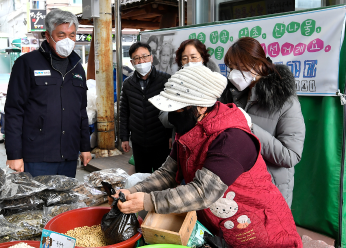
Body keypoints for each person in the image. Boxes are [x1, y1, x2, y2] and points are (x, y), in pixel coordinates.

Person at [112, 65, 302, 248]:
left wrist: (148, 201)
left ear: (202, 107)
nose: (171, 115)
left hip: (261, 232)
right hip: (221, 229)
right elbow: (168, 173)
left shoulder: (232, 138)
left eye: (177, 109)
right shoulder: (188, 131)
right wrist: (135, 190)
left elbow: (202, 192)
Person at [219, 37, 305, 207]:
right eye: (231, 68)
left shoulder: (286, 102)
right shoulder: (232, 95)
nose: (234, 74)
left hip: (270, 189)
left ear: (259, 65)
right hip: (239, 186)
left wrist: (250, 126)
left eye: (241, 68)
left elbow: (290, 156)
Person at [5, 9, 91, 178]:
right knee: (36, 204)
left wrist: (85, 147)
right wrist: (14, 154)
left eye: (72, 35)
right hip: (37, 156)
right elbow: (14, 111)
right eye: (61, 35)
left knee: (64, 204)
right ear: (48, 35)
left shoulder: (78, 68)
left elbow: (81, 111)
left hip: (68, 156)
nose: (68, 40)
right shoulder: (27, 63)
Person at [119, 42, 171, 173]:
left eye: (145, 56)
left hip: (161, 140)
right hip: (138, 141)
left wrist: (171, 136)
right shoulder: (128, 84)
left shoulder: (165, 80)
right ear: (132, 62)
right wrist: (124, 137)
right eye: (137, 58)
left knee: (162, 177)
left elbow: (172, 110)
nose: (141, 61)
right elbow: (124, 112)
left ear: (151, 58)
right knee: (142, 176)